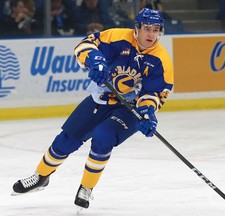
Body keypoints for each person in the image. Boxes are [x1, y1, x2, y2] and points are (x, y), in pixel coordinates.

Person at [12, 8, 174, 210]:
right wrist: (94, 61)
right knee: (66, 140)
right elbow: (85, 45)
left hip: (128, 108)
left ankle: (86, 188)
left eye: (156, 29)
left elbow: (155, 92)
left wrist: (148, 112)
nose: (151, 34)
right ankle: (40, 177)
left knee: (103, 137)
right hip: (100, 99)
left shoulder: (160, 59)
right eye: (147, 29)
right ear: (137, 28)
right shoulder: (117, 37)